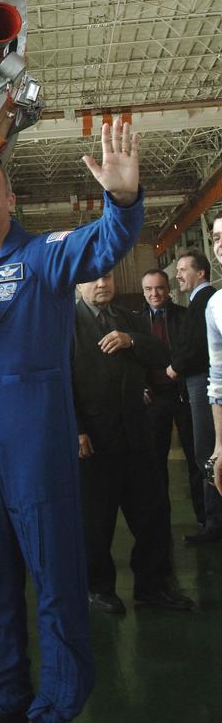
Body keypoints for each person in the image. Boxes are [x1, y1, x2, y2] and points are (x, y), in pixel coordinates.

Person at [0, 122, 143, 723]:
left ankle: (52, 713)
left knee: (55, 576)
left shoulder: (47, 257)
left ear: (10, 199)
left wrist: (122, 198)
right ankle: (5, 700)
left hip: (37, 441)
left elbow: (108, 242)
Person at [74, 270, 193, 613]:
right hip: (94, 440)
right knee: (97, 521)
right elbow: (58, 381)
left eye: (107, 278)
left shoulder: (130, 319)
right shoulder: (65, 325)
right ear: (78, 284)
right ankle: (97, 588)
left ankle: (153, 586)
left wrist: (132, 341)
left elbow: (160, 353)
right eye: (93, 279)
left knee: (152, 514)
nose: (102, 284)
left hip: (137, 434)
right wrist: (76, 428)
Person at [137, 269, 204, 526]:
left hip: (183, 396)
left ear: (168, 289)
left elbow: (195, 353)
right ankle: (159, 519)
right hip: (153, 399)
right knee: (155, 461)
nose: (155, 294)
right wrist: (139, 387)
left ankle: (205, 517)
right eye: (149, 289)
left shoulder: (186, 317)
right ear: (143, 292)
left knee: (195, 457)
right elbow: (131, 361)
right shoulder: (136, 322)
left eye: (160, 288)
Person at [169, 248, 222, 544]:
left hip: (203, 385)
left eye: (183, 269)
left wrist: (174, 367)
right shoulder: (201, 301)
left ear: (200, 272)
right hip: (203, 383)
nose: (178, 275)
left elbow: (197, 347)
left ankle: (214, 523)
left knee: (207, 452)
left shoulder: (206, 300)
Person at [207, 215, 222, 499]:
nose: (221, 244)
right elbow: (218, 379)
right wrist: (220, 444)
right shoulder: (216, 305)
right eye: (218, 237)